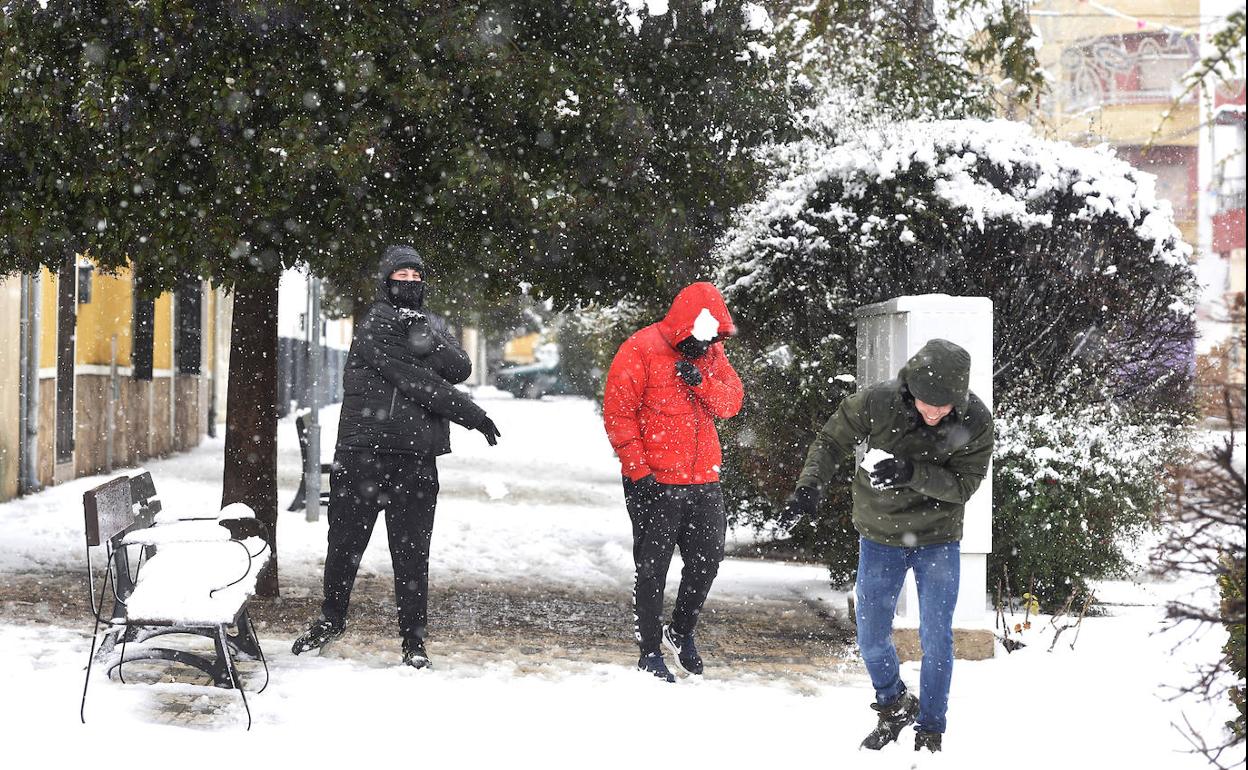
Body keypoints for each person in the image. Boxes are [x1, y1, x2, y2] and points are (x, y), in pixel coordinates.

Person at [292, 244, 502, 669]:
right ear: (385, 283)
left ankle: (414, 642)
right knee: (345, 546)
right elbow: (420, 382)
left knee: (411, 554)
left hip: (416, 458)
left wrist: (428, 338)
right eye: (400, 278)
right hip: (364, 454)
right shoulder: (374, 324)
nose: (408, 286)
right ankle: (331, 620)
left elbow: (460, 368)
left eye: (415, 279)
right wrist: (472, 415)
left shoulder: (427, 324)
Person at [781, 339, 993, 753]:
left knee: (936, 640)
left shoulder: (977, 421)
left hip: (938, 539)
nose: (932, 413)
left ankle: (931, 731)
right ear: (909, 389)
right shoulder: (879, 402)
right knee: (872, 638)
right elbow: (831, 441)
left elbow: (964, 485)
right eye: (924, 402)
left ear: (959, 398)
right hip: (880, 536)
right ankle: (894, 705)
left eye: (942, 406)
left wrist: (910, 471)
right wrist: (809, 486)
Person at [602, 282, 743, 682]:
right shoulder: (640, 348)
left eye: (715, 336)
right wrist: (638, 470)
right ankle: (649, 651)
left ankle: (680, 632)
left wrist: (700, 380)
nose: (711, 343)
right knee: (651, 569)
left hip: (704, 480)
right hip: (655, 482)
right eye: (705, 335)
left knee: (707, 562)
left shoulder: (712, 355)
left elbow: (731, 404)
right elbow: (618, 414)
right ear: (685, 325)